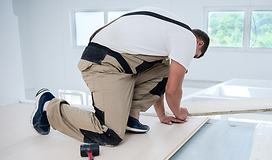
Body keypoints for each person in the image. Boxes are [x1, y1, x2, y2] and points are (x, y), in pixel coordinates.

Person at [31, 7, 210, 146]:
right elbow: (172, 90)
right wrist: (180, 112)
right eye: (195, 55)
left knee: (167, 69)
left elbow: (165, 79)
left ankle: (129, 118)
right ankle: (48, 106)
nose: (190, 58)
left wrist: (162, 115)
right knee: (109, 134)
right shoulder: (186, 38)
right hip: (104, 64)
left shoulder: (170, 27)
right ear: (199, 43)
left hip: (118, 63)